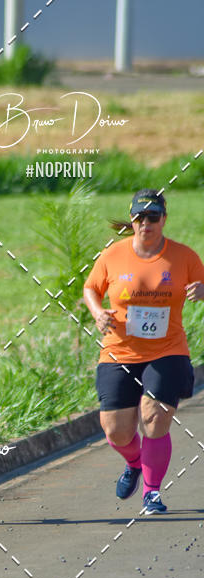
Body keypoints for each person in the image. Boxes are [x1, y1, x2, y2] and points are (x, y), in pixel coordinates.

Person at [83, 188, 204, 515]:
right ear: (132, 219)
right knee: (116, 430)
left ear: (164, 219)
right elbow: (91, 288)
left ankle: (151, 492)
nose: (146, 223)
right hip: (119, 351)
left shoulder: (184, 257)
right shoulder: (113, 255)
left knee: (154, 418)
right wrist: (97, 313)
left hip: (168, 350)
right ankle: (134, 462)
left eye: (153, 217)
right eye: (140, 217)